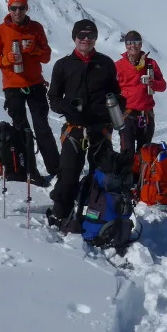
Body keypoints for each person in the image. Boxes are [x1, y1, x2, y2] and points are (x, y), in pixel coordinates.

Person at [46, 19, 124, 227]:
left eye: (90, 35)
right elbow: (52, 98)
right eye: (81, 35)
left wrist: (117, 104)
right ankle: (60, 213)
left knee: (101, 176)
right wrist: (66, 106)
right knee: (68, 174)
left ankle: (96, 215)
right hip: (75, 130)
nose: (86, 39)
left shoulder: (106, 63)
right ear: (74, 38)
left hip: (101, 129)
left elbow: (115, 93)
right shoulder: (62, 65)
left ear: (96, 38)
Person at [0, 0, 58, 185]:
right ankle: (30, 171)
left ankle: (56, 168)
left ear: (27, 9)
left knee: (42, 127)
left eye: (21, 8)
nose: (17, 11)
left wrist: (34, 50)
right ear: (8, 9)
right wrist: (6, 59)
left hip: (35, 85)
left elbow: (47, 56)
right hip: (12, 87)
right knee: (22, 130)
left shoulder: (36, 29)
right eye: (13, 8)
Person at [114, 30, 167, 157]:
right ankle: (128, 176)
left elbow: (163, 85)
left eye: (136, 42)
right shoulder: (118, 66)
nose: (133, 45)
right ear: (126, 45)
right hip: (127, 115)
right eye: (129, 42)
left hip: (146, 115)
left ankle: (142, 177)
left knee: (145, 154)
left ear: (141, 44)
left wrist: (153, 84)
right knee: (127, 153)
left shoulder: (150, 64)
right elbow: (111, 89)